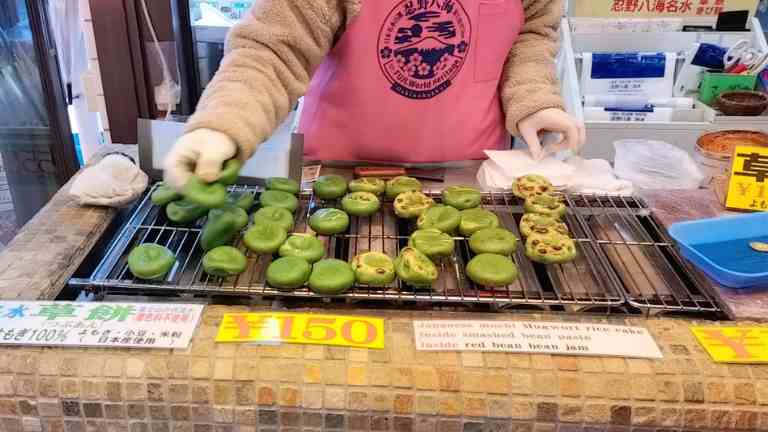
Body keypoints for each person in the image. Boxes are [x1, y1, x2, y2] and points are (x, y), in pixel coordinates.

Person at [164, 0, 585, 190]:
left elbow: (531, 31)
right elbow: (273, 49)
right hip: (337, 173)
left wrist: (536, 100)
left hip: (468, 174)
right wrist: (222, 125)